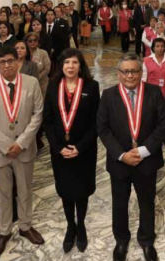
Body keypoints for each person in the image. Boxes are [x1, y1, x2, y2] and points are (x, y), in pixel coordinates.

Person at [97, 53, 165, 261]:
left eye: (134, 71)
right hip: (120, 162)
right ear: (118, 74)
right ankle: (121, 240)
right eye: (125, 71)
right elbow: (103, 128)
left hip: (147, 160)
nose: (130, 75)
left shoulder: (154, 92)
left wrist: (144, 151)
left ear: (141, 72)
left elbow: (163, 125)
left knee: (147, 202)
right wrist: (121, 155)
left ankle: (146, 240)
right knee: (120, 203)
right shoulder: (108, 95)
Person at [0, 45, 46, 258]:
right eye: (2, 62)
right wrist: (8, 146)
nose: (7, 65)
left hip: (24, 150)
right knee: (3, 193)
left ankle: (26, 226)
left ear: (18, 61)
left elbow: (37, 115)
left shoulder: (32, 83)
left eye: (10, 60)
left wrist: (21, 143)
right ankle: (4, 231)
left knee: (25, 190)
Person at [42, 49, 100, 253]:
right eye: (66, 62)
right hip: (60, 151)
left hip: (84, 150)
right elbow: (47, 121)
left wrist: (80, 146)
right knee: (66, 191)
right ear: (61, 65)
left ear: (80, 65)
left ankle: (81, 225)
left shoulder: (92, 87)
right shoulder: (53, 86)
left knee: (82, 190)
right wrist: (58, 148)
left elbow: (96, 122)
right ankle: (70, 227)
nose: (70, 66)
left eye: (74, 62)